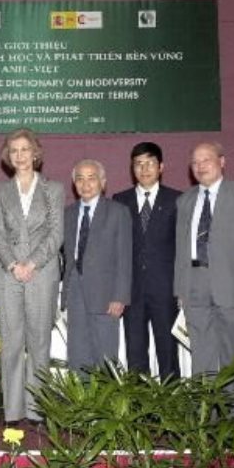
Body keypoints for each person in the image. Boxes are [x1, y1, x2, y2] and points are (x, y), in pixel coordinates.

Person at [173, 142, 234, 393]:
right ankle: (206, 414)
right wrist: (180, 288)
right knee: (201, 354)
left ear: (222, 161)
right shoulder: (184, 200)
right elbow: (181, 249)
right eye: (195, 162)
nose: (200, 166)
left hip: (233, 286)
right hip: (194, 286)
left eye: (206, 160)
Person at [0, 129, 64, 423]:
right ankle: (13, 410)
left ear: (35, 152)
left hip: (42, 273)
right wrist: (12, 264)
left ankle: (37, 409)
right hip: (8, 275)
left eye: (24, 149)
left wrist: (31, 263)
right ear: (8, 156)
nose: (19, 155)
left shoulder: (54, 189)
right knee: (11, 342)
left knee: (39, 341)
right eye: (13, 150)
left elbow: (56, 232)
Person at [112, 141, 181, 379]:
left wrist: (181, 289)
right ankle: (140, 410)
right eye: (138, 164)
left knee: (168, 352)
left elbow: (182, 249)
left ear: (161, 166)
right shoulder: (120, 200)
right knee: (136, 353)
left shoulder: (177, 200)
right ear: (132, 169)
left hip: (166, 290)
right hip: (132, 291)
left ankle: (171, 409)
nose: (144, 169)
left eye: (150, 163)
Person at [62, 159, 132, 373]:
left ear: (103, 182)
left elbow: (124, 256)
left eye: (91, 178)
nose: (85, 184)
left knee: (105, 355)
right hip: (75, 293)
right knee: (77, 353)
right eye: (80, 179)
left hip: (106, 295)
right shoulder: (68, 214)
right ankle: (82, 403)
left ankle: (106, 405)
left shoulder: (118, 212)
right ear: (74, 184)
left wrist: (120, 296)